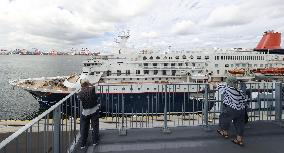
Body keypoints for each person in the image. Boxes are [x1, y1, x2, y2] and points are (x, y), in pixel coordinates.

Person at [216, 76, 247, 146]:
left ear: (228, 82)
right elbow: (244, 100)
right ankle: (239, 140)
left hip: (231, 108)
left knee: (224, 118)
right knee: (240, 124)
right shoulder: (240, 91)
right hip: (241, 109)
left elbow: (218, 86)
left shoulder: (227, 88)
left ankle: (225, 133)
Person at [77, 79, 100, 149]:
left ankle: (83, 144)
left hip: (85, 112)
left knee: (84, 128)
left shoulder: (80, 93)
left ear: (81, 85)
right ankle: (95, 141)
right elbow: (96, 96)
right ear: (88, 83)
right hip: (94, 110)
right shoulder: (92, 89)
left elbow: (79, 98)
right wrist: (90, 84)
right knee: (95, 126)